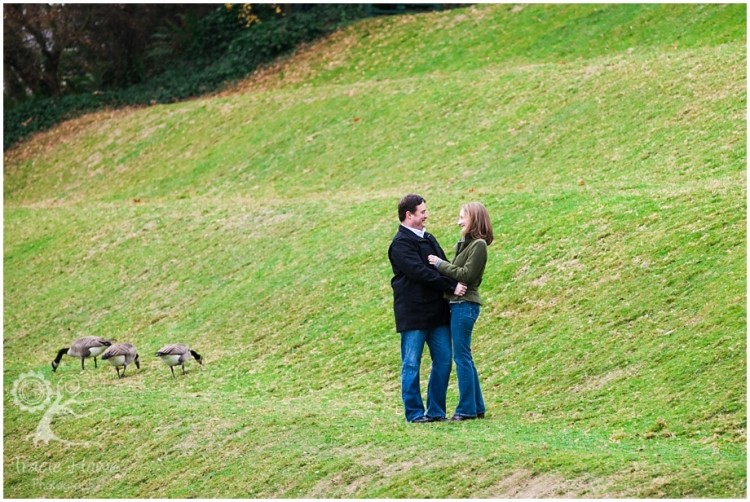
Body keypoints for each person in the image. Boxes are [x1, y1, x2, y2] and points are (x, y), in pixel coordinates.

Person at [388, 194, 467, 423]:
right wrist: (451, 286)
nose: (426, 215)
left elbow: (443, 265)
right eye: (422, 212)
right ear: (408, 215)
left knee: (443, 360)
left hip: (437, 313)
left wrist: (457, 278)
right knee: (411, 363)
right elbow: (419, 272)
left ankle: (435, 411)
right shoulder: (400, 244)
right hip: (412, 314)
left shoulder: (429, 238)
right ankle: (414, 413)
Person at [428, 202, 493, 421]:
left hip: (465, 305)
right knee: (465, 357)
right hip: (458, 305)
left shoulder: (479, 245)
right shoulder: (466, 244)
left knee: (462, 357)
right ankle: (476, 406)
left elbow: (465, 274)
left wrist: (439, 264)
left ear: (474, 218)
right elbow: (458, 273)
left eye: (462, 217)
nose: (459, 222)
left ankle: (466, 409)